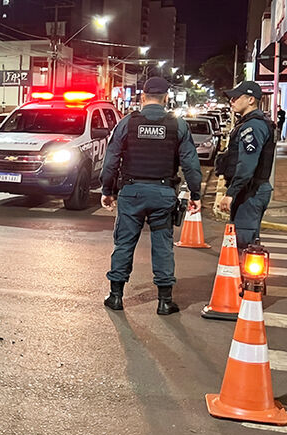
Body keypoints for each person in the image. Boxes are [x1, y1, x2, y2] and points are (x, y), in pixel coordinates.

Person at [99, 77, 203, 315]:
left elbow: (111, 161)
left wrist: (107, 190)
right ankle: (165, 301)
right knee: (163, 246)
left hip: (132, 192)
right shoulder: (178, 126)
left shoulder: (127, 123)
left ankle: (116, 296)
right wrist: (195, 193)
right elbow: (190, 164)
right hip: (163, 192)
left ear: (143, 97)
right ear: (166, 98)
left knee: (124, 243)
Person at [218, 81, 275, 250]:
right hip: (251, 190)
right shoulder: (250, 123)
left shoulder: (253, 126)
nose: (232, 101)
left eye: (236, 97)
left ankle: (244, 276)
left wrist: (231, 193)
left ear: (251, 100)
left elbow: (246, 165)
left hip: (250, 192)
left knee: (243, 243)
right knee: (245, 242)